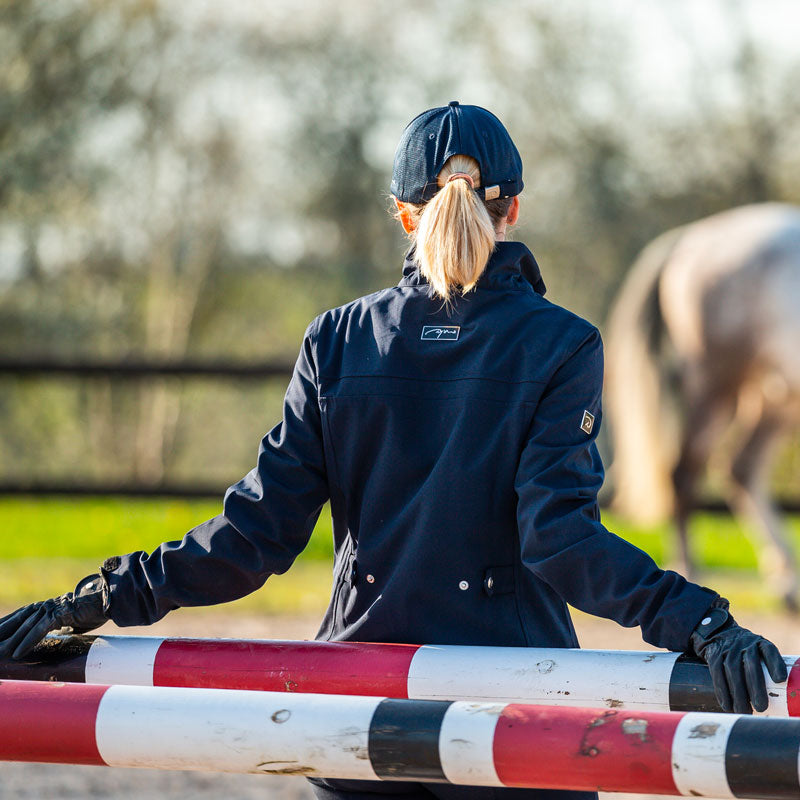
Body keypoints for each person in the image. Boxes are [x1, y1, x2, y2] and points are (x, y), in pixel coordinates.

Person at [0, 102, 788, 799]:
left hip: (355, 719)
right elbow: (559, 541)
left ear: (402, 216)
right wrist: (702, 621)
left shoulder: (336, 339)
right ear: (513, 207)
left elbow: (253, 537)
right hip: (516, 719)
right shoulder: (563, 344)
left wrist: (96, 599)